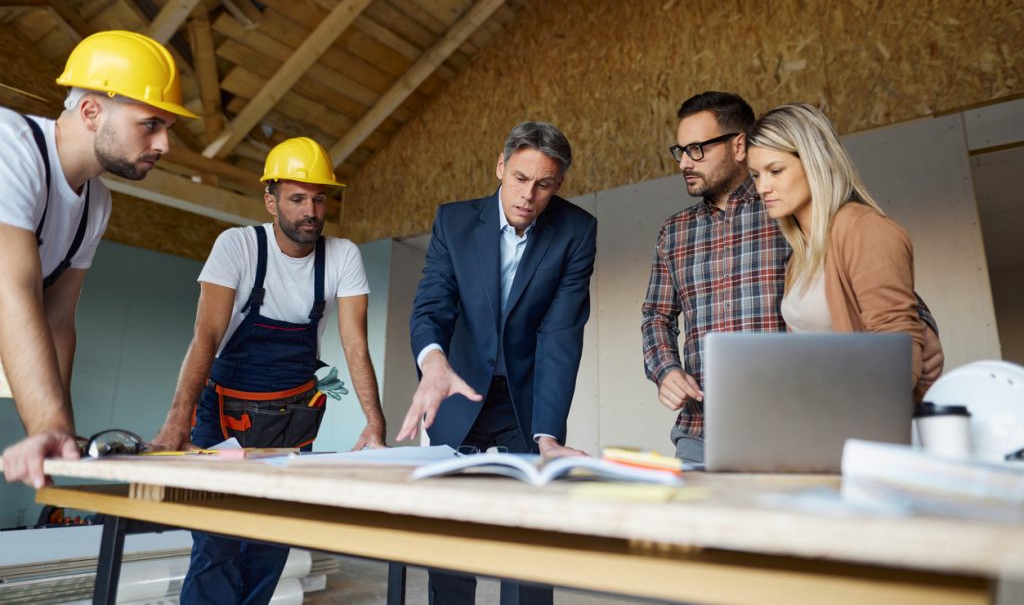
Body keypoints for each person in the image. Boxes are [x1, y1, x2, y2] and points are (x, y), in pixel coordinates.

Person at [641, 92, 943, 464]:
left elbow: (884, 292)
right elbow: (656, 315)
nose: (685, 161)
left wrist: (922, 331)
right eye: (681, 151)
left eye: (697, 149)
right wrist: (665, 369)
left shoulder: (788, 213)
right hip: (702, 429)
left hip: (791, 427)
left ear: (738, 144)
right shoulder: (678, 232)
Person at [149, 136, 386, 604]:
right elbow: (207, 337)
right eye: (297, 198)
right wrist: (178, 421)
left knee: (270, 541)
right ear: (270, 199)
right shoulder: (237, 246)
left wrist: (374, 424)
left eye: (319, 198)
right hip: (222, 419)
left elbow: (356, 345)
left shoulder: (343, 257)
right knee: (216, 540)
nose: (311, 211)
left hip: (292, 422)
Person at [397, 120, 596, 604]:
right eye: (521, 179)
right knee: (451, 539)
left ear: (559, 184)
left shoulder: (576, 230)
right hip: (456, 388)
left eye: (544, 184)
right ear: (501, 167)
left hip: (526, 400)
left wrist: (548, 433)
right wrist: (434, 363)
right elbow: (433, 305)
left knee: (528, 541)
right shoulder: (455, 222)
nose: (529, 195)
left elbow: (560, 334)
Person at [0, 30, 197, 489]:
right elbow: (11, 288)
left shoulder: (96, 203)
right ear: (91, 111)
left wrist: (60, 433)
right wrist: (46, 423)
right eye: (151, 124)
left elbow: (57, 320)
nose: (165, 145)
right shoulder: (10, 146)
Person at [746, 103, 925, 387]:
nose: (762, 187)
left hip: (862, 417)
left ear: (814, 162)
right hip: (820, 417)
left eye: (776, 170)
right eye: (756, 175)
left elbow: (898, 345)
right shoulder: (801, 254)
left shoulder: (864, 230)